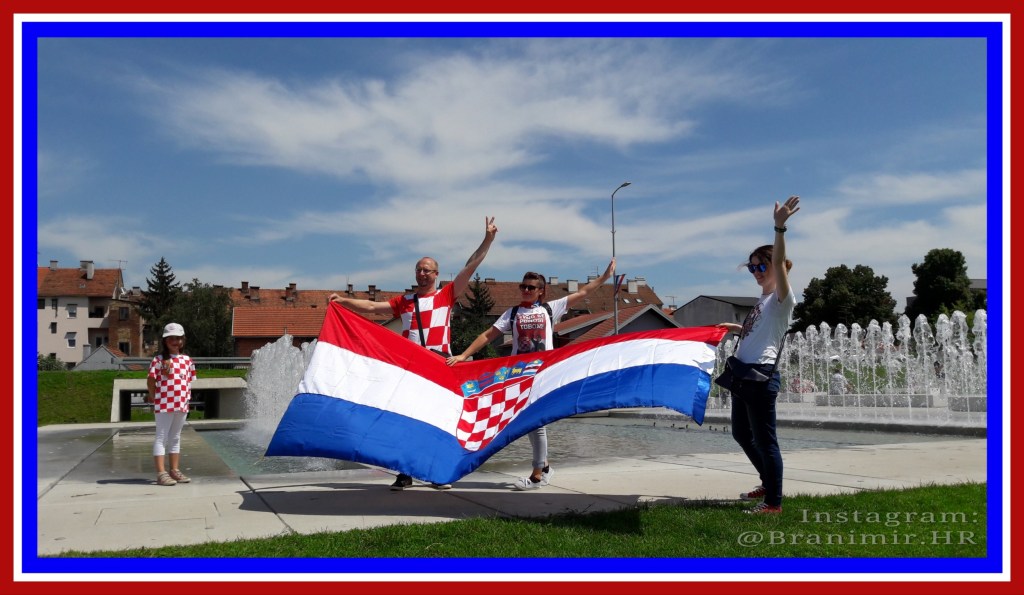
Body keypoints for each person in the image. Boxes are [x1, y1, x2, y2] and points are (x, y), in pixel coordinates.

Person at [329, 216, 499, 490]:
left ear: (436, 274)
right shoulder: (405, 301)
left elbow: (471, 266)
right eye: (418, 269)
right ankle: (404, 472)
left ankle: (437, 473)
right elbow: (372, 308)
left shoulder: (446, 295)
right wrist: (344, 301)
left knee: (439, 421)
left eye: (427, 270)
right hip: (411, 366)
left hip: (439, 363)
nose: (422, 273)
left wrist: (487, 239)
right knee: (407, 419)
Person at [447, 258, 616, 491]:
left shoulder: (550, 308)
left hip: (543, 373)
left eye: (530, 287)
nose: (525, 290)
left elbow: (584, 292)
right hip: (519, 375)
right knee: (526, 422)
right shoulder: (513, 313)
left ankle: (537, 475)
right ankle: (544, 466)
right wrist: (464, 355)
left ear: (540, 291)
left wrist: (605, 277)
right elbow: (488, 335)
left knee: (536, 422)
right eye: (523, 286)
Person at [716, 196, 801, 515]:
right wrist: (737, 329)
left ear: (776, 266)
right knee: (741, 433)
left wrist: (779, 227)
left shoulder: (782, 297)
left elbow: (779, 261)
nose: (756, 271)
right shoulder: (763, 300)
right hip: (743, 375)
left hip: (760, 376)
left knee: (766, 440)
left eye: (761, 266)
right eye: (752, 267)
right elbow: (762, 332)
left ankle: (773, 503)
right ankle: (767, 482)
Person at [145, 322, 196, 486]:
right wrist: (153, 396)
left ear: (183, 340)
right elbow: (151, 380)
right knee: (161, 437)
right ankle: (161, 473)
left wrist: (186, 399)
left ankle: (174, 470)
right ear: (165, 341)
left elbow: (188, 381)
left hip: (181, 404)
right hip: (164, 403)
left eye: (179, 338)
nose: (176, 341)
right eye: (171, 338)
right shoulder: (159, 360)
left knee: (175, 437)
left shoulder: (187, 360)